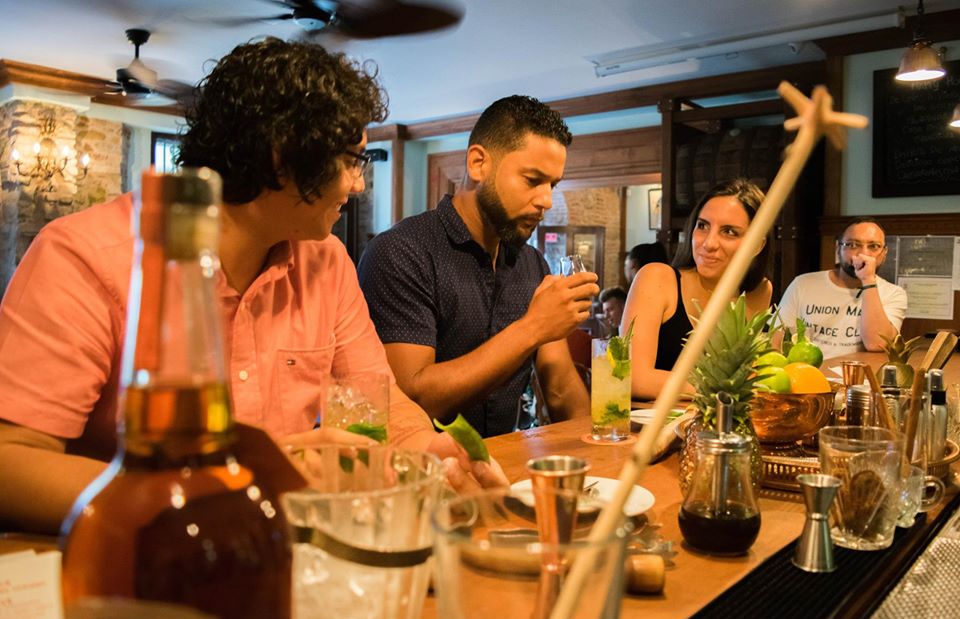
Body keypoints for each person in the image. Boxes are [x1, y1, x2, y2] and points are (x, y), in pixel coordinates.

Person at [0, 38, 504, 535]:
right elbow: (13, 467)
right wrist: (221, 490)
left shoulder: (325, 262)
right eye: (353, 160)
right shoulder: (87, 256)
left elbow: (379, 402)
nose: (358, 185)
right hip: (128, 581)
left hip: (277, 563)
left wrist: (427, 449)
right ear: (284, 156)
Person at [358, 95, 596, 438]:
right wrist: (533, 327)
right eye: (533, 180)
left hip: (504, 468)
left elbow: (559, 388)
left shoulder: (531, 264)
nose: (546, 200)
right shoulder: (402, 251)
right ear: (478, 163)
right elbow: (412, 399)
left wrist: (600, 448)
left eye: (552, 185)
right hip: (419, 476)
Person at [620, 178, 773, 400]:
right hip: (650, 428)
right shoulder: (657, 278)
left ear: (757, 245)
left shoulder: (759, 291)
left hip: (720, 428)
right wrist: (724, 389)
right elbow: (633, 377)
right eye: (702, 226)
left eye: (729, 232)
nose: (709, 243)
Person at [777, 217, 907, 360]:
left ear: (884, 253)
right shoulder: (803, 284)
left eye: (873, 246)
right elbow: (777, 340)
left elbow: (877, 344)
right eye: (852, 245)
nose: (863, 254)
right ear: (838, 249)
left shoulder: (894, 294)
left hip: (856, 377)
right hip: (806, 374)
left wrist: (868, 280)